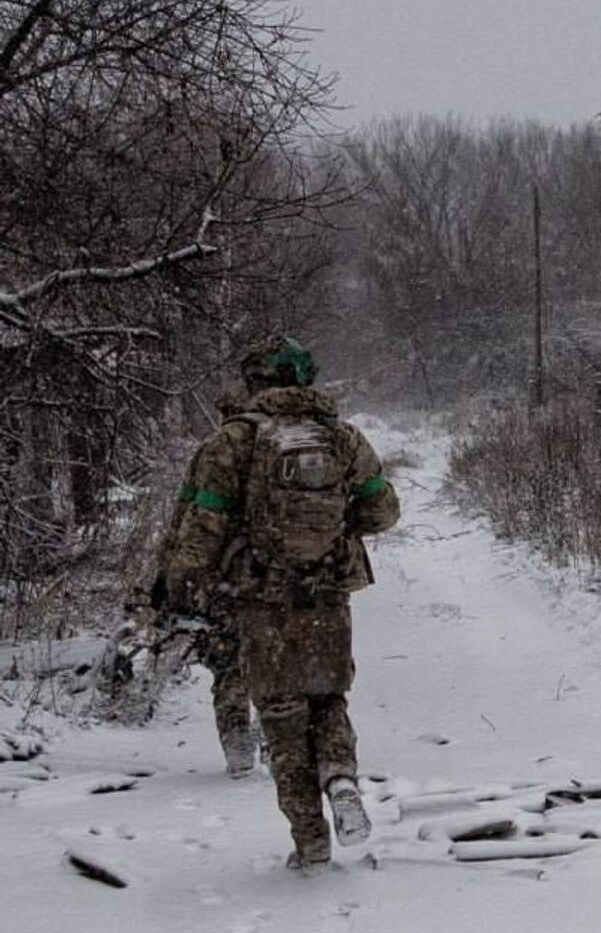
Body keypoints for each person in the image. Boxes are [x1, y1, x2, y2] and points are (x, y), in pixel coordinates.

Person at [160, 335, 400, 871]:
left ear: (256, 382)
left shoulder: (233, 441)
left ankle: (311, 844)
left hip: (262, 603)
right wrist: (336, 527)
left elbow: (202, 529)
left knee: (282, 718)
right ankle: (340, 778)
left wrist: (182, 586)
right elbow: (383, 512)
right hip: (328, 599)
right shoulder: (343, 439)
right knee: (328, 700)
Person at [148, 384, 261, 778]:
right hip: (282, 578)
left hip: (226, 579)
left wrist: (170, 577)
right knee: (278, 664)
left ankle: (238, 753)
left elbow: (187, 517)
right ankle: (279, 741)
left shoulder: (214, 452)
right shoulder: (287, 452)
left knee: (229, 665)